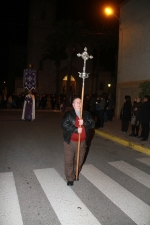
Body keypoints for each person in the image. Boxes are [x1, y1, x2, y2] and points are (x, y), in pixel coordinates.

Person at [61, 97, 95, 186]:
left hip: (82, 142)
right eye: (77, 102)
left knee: (79, 161)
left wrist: (84, 122)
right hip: (70, 142)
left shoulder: (86, 114)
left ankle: (76, 173)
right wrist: (76, 130)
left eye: (80, 102)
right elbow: (64, 125)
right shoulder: (68, 114)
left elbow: (93, 124)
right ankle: (70, 178)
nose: (79, 104)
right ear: (73, 104)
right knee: (69, 161)